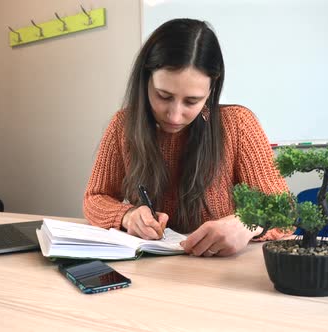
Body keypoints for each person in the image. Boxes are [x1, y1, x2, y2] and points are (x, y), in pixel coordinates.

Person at [83, 18, 290, 257]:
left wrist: (247, 224)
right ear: (146, 80)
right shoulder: (123, 126)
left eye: (192, 101)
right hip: (149, 272)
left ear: (211, 90)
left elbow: (284, 209)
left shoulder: (238, 125)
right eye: (163, 96)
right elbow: (95, 198)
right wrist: (127, 216)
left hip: (219, 276)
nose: (175, 114)